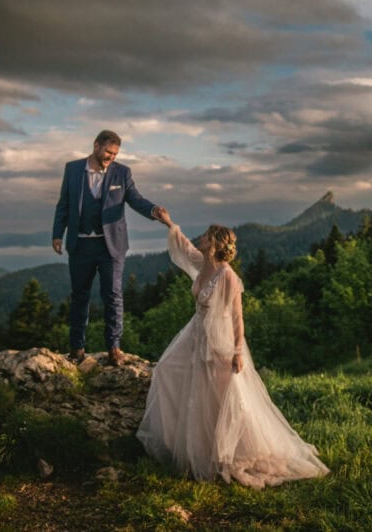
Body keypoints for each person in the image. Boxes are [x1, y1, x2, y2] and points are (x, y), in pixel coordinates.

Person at [136, 207, 329, 488]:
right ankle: (199, 452)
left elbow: (237, 317)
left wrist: (238, 351)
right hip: (196, 335)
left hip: (219, 341)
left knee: (221, 397)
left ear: (214, 244)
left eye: (206, 236)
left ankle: (231, 454)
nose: (201, 238)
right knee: (170, 372)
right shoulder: (204, 263)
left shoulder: (227, 276)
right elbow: (185, 248)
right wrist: (168, 223)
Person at [52, 130, 164, 367]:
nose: (111, 157)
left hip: (111, 246)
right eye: (108, 152)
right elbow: (64, 203)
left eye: (114, 154)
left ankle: (114, 348)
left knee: (113, 296)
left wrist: (153, 211)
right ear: (96, 146)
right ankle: (77, 349)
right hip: (80, 244)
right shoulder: (73, 169)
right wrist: (57, 234)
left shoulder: (122, 172)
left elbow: (135, 199)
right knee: (79, 297)